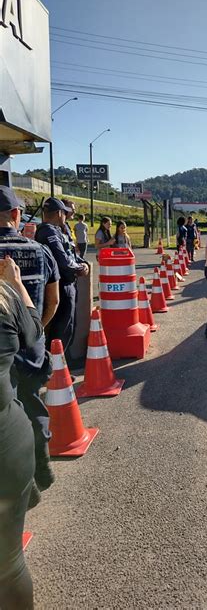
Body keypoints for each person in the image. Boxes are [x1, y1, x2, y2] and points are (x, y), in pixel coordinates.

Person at [0, 186, 59, 494]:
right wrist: (35, 331)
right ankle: (44, 467)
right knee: (35, 405)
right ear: (16, 215)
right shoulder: (39, 250)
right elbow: (54, 300)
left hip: (1, 358)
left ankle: (23, 486)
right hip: (33, 350)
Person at [0, 255, 44, 610]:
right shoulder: (4, 299)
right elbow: (33, 333)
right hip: (8, 446)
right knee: (8, 568)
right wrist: (16, 283)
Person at [35, 197, 89, 355]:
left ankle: (59, 368)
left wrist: (81, 262)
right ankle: (56, 370)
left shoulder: (55, 230)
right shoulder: (49, 231)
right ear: (59, 213)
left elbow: (70, 254)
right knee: (63, 328)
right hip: (61, 284)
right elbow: (63, 261)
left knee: (66, 326)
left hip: (62, 283)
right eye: (65, 213)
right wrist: (81, 268)